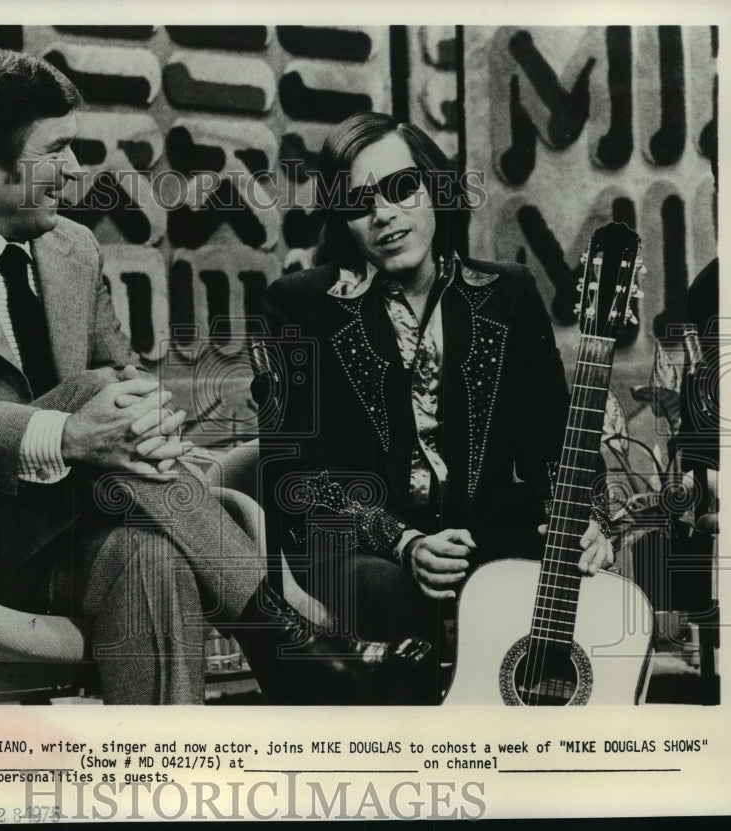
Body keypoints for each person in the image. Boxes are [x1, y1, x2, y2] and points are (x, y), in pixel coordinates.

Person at [0, 50, 432, 705]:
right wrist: (73, 434)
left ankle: (166, 777)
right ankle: (287, 638)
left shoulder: (72, 247)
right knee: (90, 398)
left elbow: (127, 375)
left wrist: (159, 433)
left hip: (87, 531)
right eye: (56, 151)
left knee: (150, 555)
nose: (76, 170)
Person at [258, 112, 614, 703]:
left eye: (401, 188)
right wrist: (405, 542)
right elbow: (296, 475)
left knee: (584, 582)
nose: (384, 214)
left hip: (491, 530)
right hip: (363, 548)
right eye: (359, 200)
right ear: (342, 218)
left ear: (436, 190)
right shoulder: (300, 306)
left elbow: (554, 436)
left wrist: (587, 518)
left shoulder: (509, 293)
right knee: (387, 590)